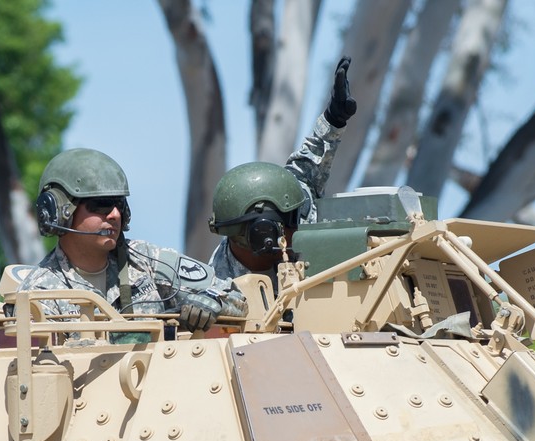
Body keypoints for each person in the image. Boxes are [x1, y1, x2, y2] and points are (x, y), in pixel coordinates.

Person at [18, 147, 237, 336]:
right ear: (60, 211)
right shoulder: (39, 293)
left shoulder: (147, 260)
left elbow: (235, 296)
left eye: (119, 204)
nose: (114, 215)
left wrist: (212, 301)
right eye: (101, 204)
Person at [209, 56, 358, 284]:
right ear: (264, 235)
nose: (300, 226)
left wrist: (334, 118)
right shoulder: (223, 284)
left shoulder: (294, 205)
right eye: (292, 222)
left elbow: (307, 166)